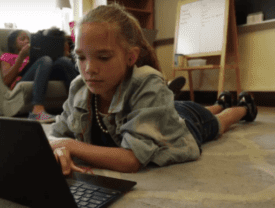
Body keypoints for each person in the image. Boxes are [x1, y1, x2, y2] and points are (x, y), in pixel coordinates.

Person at [49, 4, 258, 176]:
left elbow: (131, 160)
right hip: (157, 111)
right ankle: (220, 102)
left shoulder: (147, 82)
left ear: (131, 57)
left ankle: (242, 107)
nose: (89, 69)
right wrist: (59, 147)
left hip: (182, 124)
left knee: (217, 123)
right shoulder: (78, 87)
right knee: (196, 108)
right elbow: (54, 136)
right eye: (81, 57)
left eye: (103, 57)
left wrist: (68, 145)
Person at [0, 28, 78, 122]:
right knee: (45, 60)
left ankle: (80, 104)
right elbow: (6, 81)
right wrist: (21, 57)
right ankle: (37, 110)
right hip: (21, 80)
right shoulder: (7, 56)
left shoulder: (33, 56)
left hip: (41, 78)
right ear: (13, 43)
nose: (27, 41)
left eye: (28, 39)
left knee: (63, 61)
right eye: (22, 39)